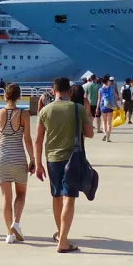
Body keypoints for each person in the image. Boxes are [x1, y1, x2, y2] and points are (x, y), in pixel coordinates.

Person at [34, 77, 94, 253]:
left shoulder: (45, 110)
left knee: (56, 196)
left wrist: (38, 164)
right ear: (69, 91)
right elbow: (89, 133)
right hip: (72, 158)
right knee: (69, 197)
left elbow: (38, 140)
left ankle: (61, 233)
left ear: (53, 90)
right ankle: (63, 241)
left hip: (52, 159)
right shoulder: (77, 108)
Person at [0, 83, 36, 244]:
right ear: (19, 97)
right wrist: (33, 159)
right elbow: (27, 139)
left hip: (1, 158)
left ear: (5, 96)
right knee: (21, 194)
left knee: (6, 197)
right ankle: (16, 223)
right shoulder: (23, 114)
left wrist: (1, 155)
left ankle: (9, 234)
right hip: (18, 157)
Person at [97, 77, 117, 142]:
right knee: (109, 122)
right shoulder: (112, 88)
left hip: (103, 106)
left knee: (104, 121)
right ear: (108, 81)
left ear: (102, 82)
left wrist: (97, 108)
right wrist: (116, 105)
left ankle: (105, 133)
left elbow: (99, 100)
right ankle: (108, 137)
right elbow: (114, 97)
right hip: (110, 106)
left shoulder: (100, 89)